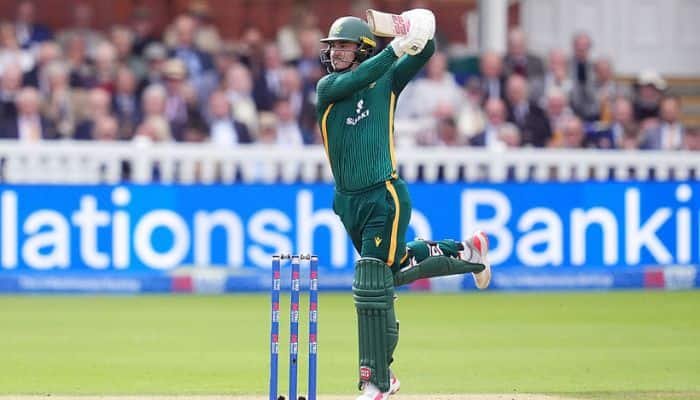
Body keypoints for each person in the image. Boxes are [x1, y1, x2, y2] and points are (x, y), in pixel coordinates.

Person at [315, 10, 492, 400]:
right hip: (347, 201)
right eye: (333, 46)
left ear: (363, 49)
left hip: (384, 195)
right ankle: (467, 252)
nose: (336, 52)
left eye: (344, 46)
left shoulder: (387, 82)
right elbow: (361, 77)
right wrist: (396, 47)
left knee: (372, 279)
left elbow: (425, 49)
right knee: (386, 275)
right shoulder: (328, 87)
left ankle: (378, 381)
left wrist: (411, 27)